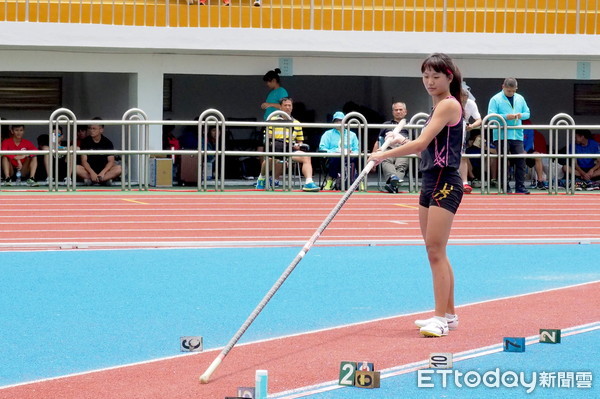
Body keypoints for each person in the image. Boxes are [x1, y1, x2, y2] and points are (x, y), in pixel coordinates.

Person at [368, 53, 464, 338]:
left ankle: (440, 319)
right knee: (435, 250)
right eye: (426, 76)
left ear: (449, 77)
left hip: (445, 180)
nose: (430, 82)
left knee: (435, 250)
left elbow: (422, 143)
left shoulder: (448, 104)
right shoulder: (436, 107)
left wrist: (383, 154)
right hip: (429, 180)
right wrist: (400, 140)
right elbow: (426, 145)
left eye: (436, 76)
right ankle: (448, 314)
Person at [256, 97, 320, 192]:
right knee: (270, 159)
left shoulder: (297, 123)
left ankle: (308, 182)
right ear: (280, 107)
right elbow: (266, 138)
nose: (287, 107)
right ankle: (261, 178)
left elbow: (300, 141)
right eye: (285, 105)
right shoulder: (272, 120)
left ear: (292, 107)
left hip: (290, 150)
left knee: (306, 157)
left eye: (289, 105)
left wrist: (299, 145)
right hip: (275, 149)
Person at [487, 77, 531, 194]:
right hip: (501, 135)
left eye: (513, 91)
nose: (511, 93)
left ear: (516, 89)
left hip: (517, 134)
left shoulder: (520, 98)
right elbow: (491, 116)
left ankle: (520, 186)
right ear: (503, 87)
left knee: (521, 161)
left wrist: (520, 115)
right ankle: (504, 187)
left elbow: (527, 113)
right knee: (503, 161)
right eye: (508, 91)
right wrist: (506, 116)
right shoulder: (495, 99)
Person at [373, 102, 411, 193]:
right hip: (388, 147)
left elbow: (416, 141)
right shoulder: (386, 124)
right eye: (396, 110)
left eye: (400, 109)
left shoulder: (411, 125)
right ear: (393, 112)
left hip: (403, 148)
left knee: (401, 165)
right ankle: (393, 180)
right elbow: (378, 141)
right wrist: (374, 156)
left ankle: (392, 184)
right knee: (385, 160)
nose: (398, 111)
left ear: (405, 111)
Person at [319, 111, 360, 191]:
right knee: (336, 158)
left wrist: (352, 153)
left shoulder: (352, 134)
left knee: (360, 158)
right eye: (337, 121)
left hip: (349, 157)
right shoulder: (327, 134)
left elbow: (357, 149)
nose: (339, 122)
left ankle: (360, 181)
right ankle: (330, 180)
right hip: (333, 157)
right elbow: (322, 147)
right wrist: (333, 152)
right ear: (333, 122)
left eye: (341, 120)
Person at [76, 118, 122, 185]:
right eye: (90, 128)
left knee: (119, 168)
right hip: (89, 171)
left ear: (101, 130)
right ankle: (102, 181)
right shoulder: (85, 142)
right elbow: (84, 161)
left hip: (104, 171)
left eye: (94, 129)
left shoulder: (107, 142)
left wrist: (103, 173)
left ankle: (94, 180)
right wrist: (92, 173)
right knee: (76, 168)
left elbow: (111, 161)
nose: (91, 131)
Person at [459, 87, 482, 193]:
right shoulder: (451, 102)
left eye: (465, 99)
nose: (463, 101)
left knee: (462, 156)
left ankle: (464, 182)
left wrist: (472, 126)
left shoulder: (471, 103)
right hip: (449, 129)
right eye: (461, 99)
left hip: (462, 130)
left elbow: (479, 119)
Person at [522, 120, 548, 189]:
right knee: (506, 157)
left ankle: (540, 181)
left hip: (526, 150)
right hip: (516, 149)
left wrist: (525, 151)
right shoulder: (512, 125)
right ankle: (505, 182)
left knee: (537, 156)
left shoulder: (528, 125)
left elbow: (530, 142)